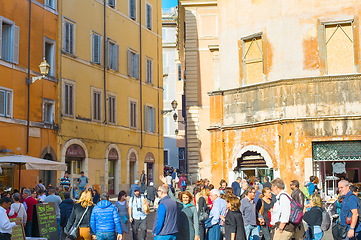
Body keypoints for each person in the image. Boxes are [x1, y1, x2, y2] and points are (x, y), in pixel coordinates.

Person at [160, 175, 199, 240]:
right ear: (181, 198)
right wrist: (166, 183)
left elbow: (196, 222)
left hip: (189, 232)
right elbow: (172, 196)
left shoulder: (192, 208)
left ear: (189, 198)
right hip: (179, 231)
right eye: (184, 197)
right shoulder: (179, 204)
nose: (185, 199)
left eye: (187, 197)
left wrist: (196, 234)